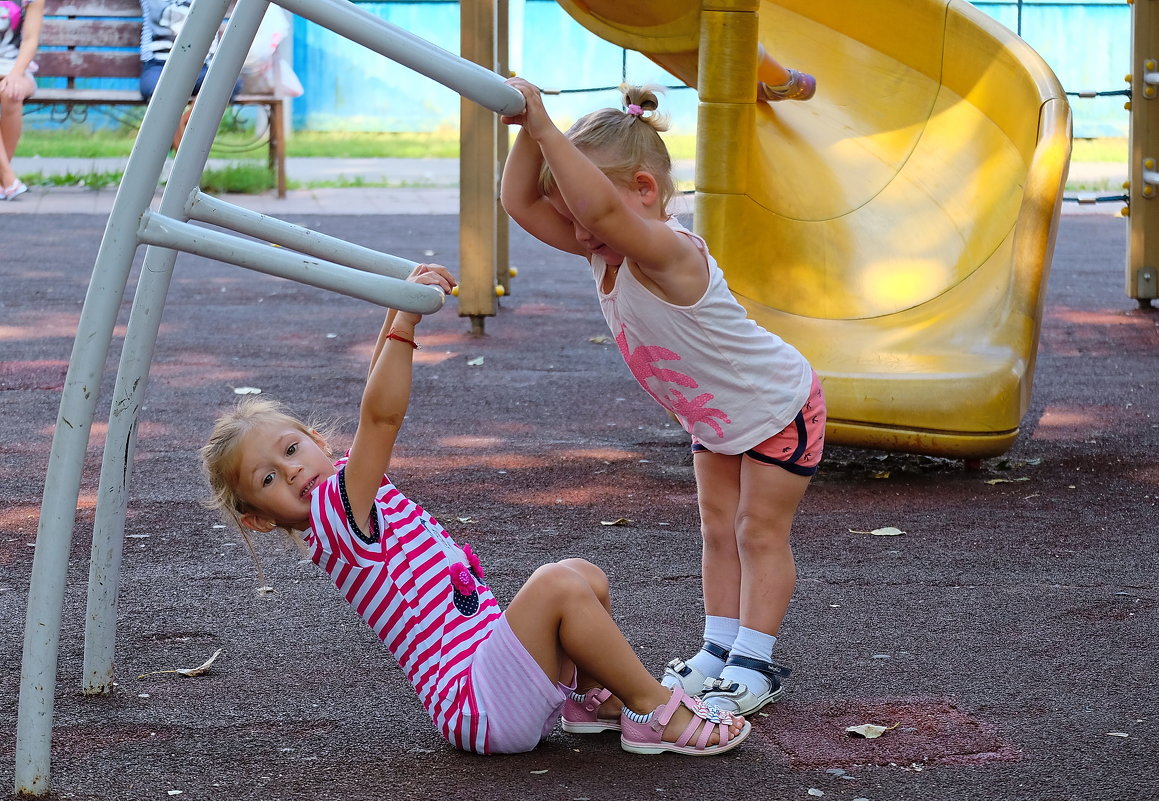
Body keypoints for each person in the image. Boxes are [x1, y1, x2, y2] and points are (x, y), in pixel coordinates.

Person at [200, 263, 750, 757]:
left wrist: (399, 305)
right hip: (476, 699)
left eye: (292, 449)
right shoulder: (334, 517)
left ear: (317, 440)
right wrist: (404, 326)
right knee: (556, 584)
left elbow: (371, 408)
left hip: (489, 673)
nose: (292, 469)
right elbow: (381, 419)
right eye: (268, 478)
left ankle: (591, 701)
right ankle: (654, 710)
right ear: (260, 518)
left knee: (584, 576)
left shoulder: (346, 489)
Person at [499, 78, 826, 717]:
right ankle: (719, 647)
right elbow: (519, 203)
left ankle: (754, 662)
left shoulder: (667, 251)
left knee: (758, 531)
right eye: (570, 220)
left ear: (644, 191)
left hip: (776, 406)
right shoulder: (606, 247)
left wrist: (545, 128)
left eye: (581, 217)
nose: (576, 233)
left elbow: (599, 215)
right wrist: (524, 130)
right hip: (714, 416)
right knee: (715, 529)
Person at [139, 0, 240, 151]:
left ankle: (177, 125)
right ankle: (183, 156)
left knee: (227, 82)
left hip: (200, 66)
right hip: (159, 65)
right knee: (155, 90)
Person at [0, 0, 43, 200]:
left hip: (15, 68)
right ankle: (7, 179)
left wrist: (16, 74)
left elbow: (30, 40)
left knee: (12, 94)